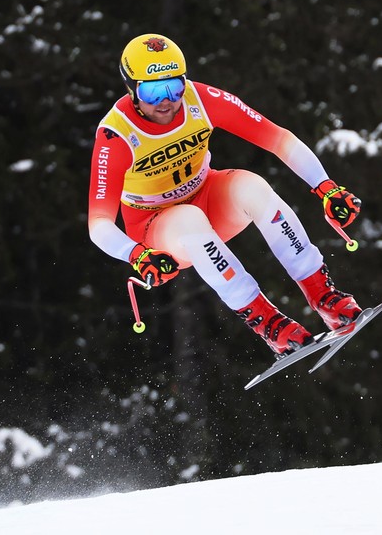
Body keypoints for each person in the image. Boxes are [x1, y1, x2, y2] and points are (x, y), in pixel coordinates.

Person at [87, 33, 363, 357]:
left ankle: (324, 296)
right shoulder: (117, 134)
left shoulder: (200, 100)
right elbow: (99, 224)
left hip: (207, 195)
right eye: (152, 90)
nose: (166, 100)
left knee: (253, 187)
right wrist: (136, 254)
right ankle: (268, 324)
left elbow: (277, 138)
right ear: (131, 89)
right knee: (190, 220)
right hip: (157, 228)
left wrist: (326, 187)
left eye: (174, 86)